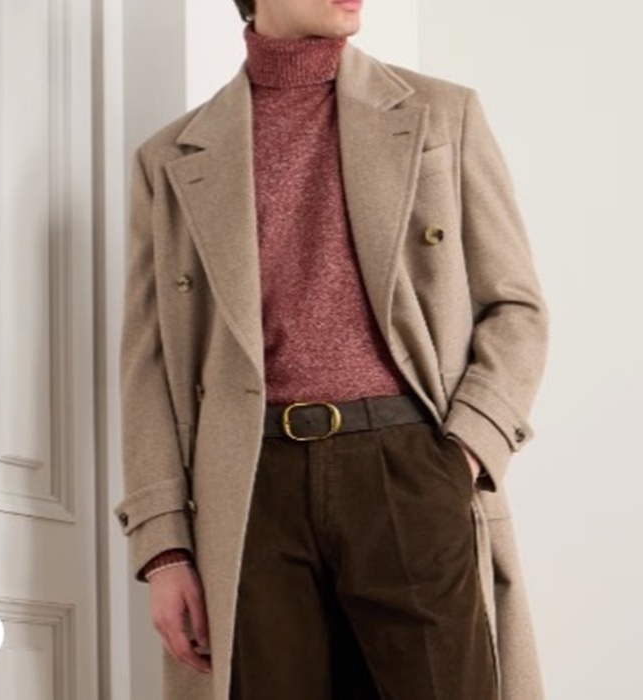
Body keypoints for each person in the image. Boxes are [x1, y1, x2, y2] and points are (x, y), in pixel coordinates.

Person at [114, 0, 550, 698]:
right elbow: (150, 363)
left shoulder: (443, 113)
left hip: (407, 464)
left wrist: (464, 453)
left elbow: (515, 307)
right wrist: (163, 546)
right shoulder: (168, 159)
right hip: (249, 489)